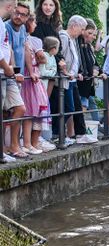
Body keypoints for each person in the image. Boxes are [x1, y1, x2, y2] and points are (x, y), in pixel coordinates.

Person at [58, 15, 97, 144]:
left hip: (72, 78)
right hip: (66, 79)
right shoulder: (64, 37)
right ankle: (59, 135)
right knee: (68, 107)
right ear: (74, 26)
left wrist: (78, 72)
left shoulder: (73, 39)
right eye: (82, 28)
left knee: (77, 107)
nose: (82, 32)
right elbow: (60, 57)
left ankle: (80, 134)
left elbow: (75, 59)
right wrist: (65, 72)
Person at [20, 14, 50, 154]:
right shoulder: (34, 40)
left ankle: (30, 143)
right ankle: (29, 143)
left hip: (27, 75)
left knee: (31, 110)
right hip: (32, 76)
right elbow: (43, 58)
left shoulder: (25, 39)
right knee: (33, 110)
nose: (36, 25)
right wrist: (38, 60)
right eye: (34, 23)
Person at [1, 0, 27, 160]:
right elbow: (7, 48)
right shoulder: (6, 25)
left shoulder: (22, 28)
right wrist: (12, 69)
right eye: (17, 12)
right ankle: (6, 148)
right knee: (6, 111)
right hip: (7, 72)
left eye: (23, 14)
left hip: (10, 73)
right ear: (11, 8)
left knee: (19, 108)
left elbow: (14, 48)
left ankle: (12, 145)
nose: (18, 16)